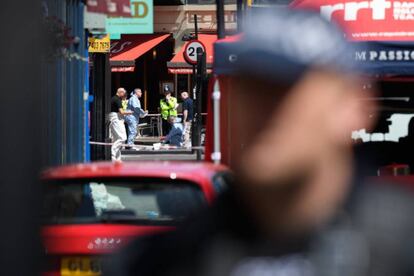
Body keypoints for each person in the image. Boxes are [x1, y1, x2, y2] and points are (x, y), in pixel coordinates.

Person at [104, 10, 414, 276]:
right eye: (249, 90)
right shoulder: (169, 258)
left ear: (354, 108)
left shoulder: (399, 242)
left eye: (284, 92)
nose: (262, 112)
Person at [108, 88, 132, 161]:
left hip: (114, 119)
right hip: (117, 120)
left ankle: (117, 159)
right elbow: (121, 112)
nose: (125, 95)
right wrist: (130, 112)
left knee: (116, 139)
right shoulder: (117, 99)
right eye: (124, 94)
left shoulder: (113, 99)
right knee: (122, 138)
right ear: (120, 93)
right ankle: (113, 153)